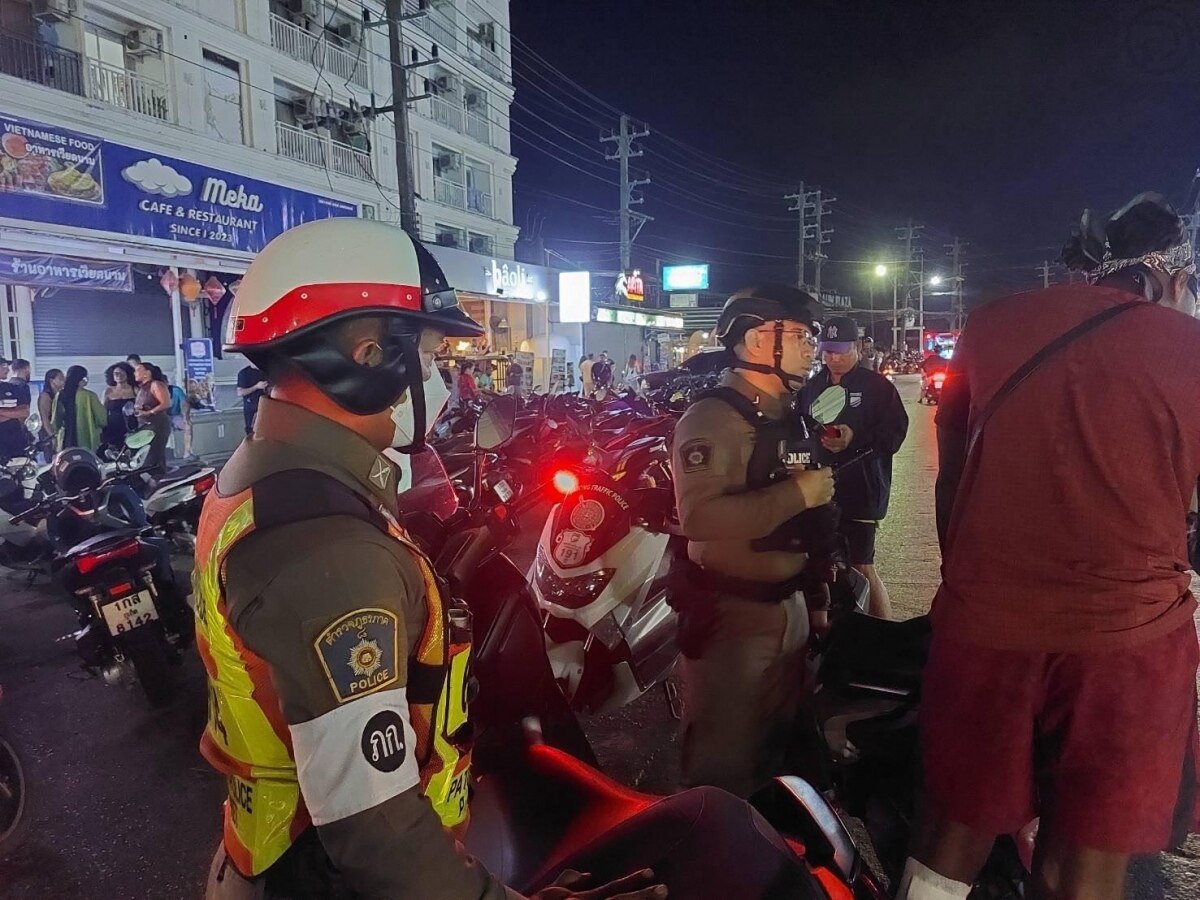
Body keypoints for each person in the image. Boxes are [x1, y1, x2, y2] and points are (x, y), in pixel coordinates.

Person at [196, 219, 685, 900]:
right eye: (427, 356)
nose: (440, 377)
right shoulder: (327, 546)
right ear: (367, 357)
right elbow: (376, 834)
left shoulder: (266, 478)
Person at [907, 193, 1200, 900]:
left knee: (955, 824)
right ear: (1167, 269)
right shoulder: (1188, 344)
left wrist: (975, 579)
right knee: (1085, 854)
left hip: (986, 623)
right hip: (1126, 641)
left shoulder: (990, 324)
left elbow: (952, 474)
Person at [670, 284, 835, 798]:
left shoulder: (788, 413)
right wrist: (797, 495)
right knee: (723, 768)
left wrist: (819, 599)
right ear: (759, 339)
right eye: (802, 335)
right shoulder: (713, 418)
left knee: (779, 758)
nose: (813, 347)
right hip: (733, 618)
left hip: (791, 609)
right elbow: (700, 517)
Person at [799, 316, 908, 619]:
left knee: (862, 566)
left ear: (858, 347)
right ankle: (827, 640)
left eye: (841, 351)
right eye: (828, 351)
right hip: (819, 491)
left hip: (862, 490)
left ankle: (882, 637)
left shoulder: (878, 387)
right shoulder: (811, 387)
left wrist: (855, 436)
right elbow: (800, 430)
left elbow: (895, 434)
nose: (834, 358)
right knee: (818, 565)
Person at [52, 365, 106, 452]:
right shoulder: (89, 396)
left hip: (65, 439)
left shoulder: (60, 395)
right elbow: (102, 419)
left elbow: (55, 420)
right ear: (82, 379)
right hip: (86, 439)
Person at [133, 362, 171, 473]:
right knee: (147, 454)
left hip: (157, 425)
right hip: (144, 425)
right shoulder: (142, 388)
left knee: (155, 454)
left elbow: (166, 403)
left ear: (147, 373)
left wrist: (149, 412)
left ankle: (158, 476)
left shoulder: (156, 385)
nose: (135, 373)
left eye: (138, 370)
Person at [0, 357, 31, 459]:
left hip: (16, 442)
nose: (8, 370)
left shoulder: (13, 388)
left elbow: (24, 411)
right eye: (4, 366)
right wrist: (13, 414)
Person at [101, 362, 137, 448]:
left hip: (131, 424)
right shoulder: (108, 391)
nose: (119, 375)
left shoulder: (134, 389)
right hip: (113, 426)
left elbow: (140, 406)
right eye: (116, 373)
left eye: (122, 373)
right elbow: (103, 410)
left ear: (128, 374)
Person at [37, 368, 64, 456]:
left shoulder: (60, 394)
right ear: (51, 380)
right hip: (48, 432)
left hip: (58, 430)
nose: (63, 381)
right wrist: (52, 436)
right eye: (60, 378)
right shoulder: (45, 395)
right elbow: (45, 419)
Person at [235, 363, 267, 436]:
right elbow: (240, 392)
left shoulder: (266, 371)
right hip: (251, 410)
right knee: (252, 434)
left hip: (266, 409)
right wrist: (256, 387)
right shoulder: (244, 373)